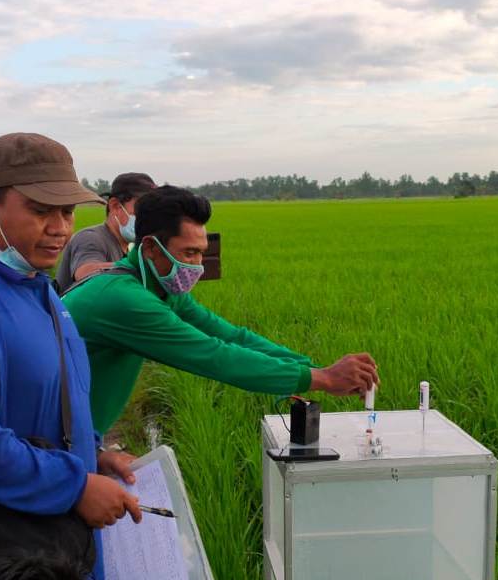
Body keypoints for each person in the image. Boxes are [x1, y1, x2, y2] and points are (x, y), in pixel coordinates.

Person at [0, 133, 142, 580]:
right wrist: (74, 485)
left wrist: (93, 456)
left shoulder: (39, 289)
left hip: (56, 549)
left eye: (67, 212)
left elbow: (50, 406)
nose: (60, 228)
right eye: (40, 210)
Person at [62, 186, 380, 435]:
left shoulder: (157, 287)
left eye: (201, 253)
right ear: (149, 248)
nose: (197, 265)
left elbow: (232, 337)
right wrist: (323, 379)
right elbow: (214, 356)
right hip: (51, 442)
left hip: (80, 437)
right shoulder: (124, 299)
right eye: (188, 253)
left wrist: (315, 368)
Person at [55, 173, 156, 293]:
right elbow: (84, 272)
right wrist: (136, 266)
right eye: (141, 210)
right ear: (115, 206)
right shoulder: (91, 238)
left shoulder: (128, 249)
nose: (146, 218)